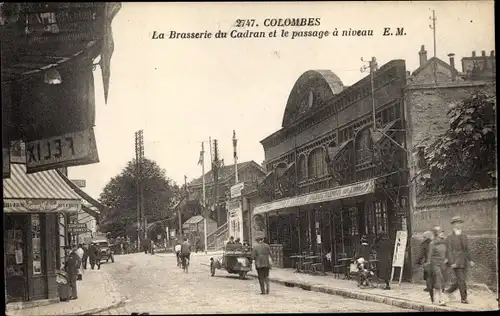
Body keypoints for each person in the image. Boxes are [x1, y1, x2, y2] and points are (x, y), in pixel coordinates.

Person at [445, 216, 474, 304]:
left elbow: (467, 249)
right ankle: (464, 298)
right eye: (456, 223)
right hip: (455, 261)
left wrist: (470, 260)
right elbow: (449, 251)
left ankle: (449, 291)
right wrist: (452, 262)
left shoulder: (464, 235)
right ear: (453, 225)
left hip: (464, 261)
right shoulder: (450, 237)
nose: (458, 224)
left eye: (459, 223)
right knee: (461, 280)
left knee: (461, 280)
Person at [426, 226, 448, 306]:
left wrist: (446, 258)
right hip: (435, 264)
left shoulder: (444, 242)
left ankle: (435, 298)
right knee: (439, 280)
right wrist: (429, 266)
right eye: (440, 232)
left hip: (442, 264)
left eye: (442, 232)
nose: (442, 233)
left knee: (442, 281)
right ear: (436, 234)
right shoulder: (432, 243)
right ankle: (441, 300)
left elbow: (446, 251)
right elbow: (429, 256)